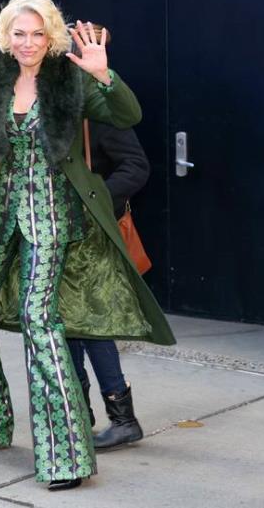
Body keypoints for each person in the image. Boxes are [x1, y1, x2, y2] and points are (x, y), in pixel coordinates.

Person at [0, 0, 175, 491]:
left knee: (38, 318)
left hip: (51, 216)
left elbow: (127, 115)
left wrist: (104, 74)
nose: (28, 43)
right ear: (5, 36)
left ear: (51, 35)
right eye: (19, 33)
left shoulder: (68, 77)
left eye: (37, 34)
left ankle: (64, 454)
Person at [67, 23, 152, 450]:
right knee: (68, 327)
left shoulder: (98, 108)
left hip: (93, 236)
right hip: (58, 234)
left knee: (89, 326)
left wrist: (91, 199)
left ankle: (120, 417)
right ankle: (80, 414)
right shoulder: (50, 106)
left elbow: (136, 167)